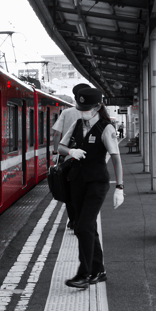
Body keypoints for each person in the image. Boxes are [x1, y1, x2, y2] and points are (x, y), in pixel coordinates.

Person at [55, 86, 124, 289]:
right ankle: (99, 270)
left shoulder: (106, 128)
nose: (83, 111)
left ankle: (84, 274)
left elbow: (116, 159)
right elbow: (59, 146)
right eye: (81, 107)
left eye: (87, 108)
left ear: (98, 107)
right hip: (76, 182)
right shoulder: (76, 124)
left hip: (96, 183)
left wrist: (119, 187)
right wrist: (71, 151)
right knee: (88, 227)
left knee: (83, 226)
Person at [51, 83, 91, 229]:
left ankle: (73, 219)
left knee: (70, 190)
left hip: (69, 159)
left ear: (75, 97)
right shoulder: (95, 113)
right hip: (89, 160)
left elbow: (56, 133)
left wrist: (56, 152)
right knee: (87, 191)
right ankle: (83, 218)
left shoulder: (67, 113)